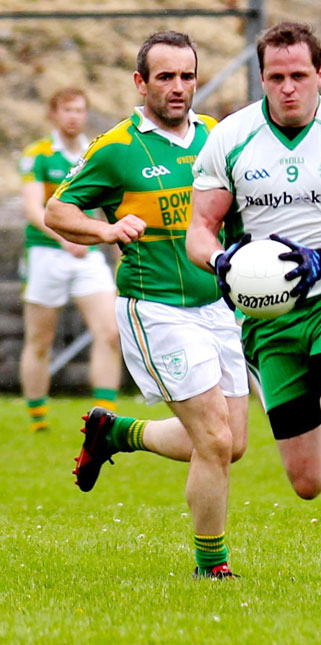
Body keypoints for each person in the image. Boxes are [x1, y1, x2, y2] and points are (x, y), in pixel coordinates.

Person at [186, 22, 321, 613]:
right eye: (276, 77)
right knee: (306, 480)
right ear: (262, 79)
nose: (288, 88)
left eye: (299, 75)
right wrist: (222, 261)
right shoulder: (229, 139)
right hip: (268, 322)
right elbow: (199, 231)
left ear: (320, 75)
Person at [45, 31, 249, 578]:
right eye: (165, 77)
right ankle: (212, 566)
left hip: (217, 307)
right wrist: (107, 229)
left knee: (233, 445)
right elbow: (57, 212)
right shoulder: (116, 148)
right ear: (141, 83)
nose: (178, 87)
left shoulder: (217, 137)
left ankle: (118, 432)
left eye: (187, 76)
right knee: (212, 439)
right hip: (155, 308)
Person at [18, 88, 121, 432]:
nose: (74, 116)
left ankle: (104, 419)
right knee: (40, 338)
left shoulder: (96, 151)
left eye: (79, 110)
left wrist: (107, 242)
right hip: (47, 253)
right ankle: (38, 419)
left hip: (87, 253)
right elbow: (34, 208)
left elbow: (109, 203)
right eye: (67, 110)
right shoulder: (39, 155)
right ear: (54, 114)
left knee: (109, 332)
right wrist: (64, 237)